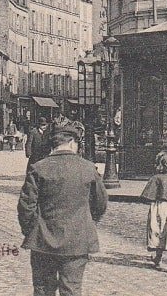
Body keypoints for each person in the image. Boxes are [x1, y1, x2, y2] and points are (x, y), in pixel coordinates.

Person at [18, 125, 107, 296]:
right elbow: (100, 203)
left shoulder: (38, 168)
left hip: (43, 240)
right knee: (72, 289)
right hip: (77, 240)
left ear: (53, 144)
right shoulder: (88, 168)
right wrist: (87, 221)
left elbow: (26, 206)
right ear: (72, 143)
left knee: (43, 289)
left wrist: (30, 230)